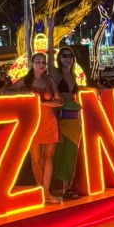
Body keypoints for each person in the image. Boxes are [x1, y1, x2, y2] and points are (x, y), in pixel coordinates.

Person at [10, 52, 62, 204]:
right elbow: (6, 90)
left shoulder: (49, 80)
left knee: (49, 158)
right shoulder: (26, 81)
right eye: (38, 61)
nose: (41, 64)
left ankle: (47, 191)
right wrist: (26, 95)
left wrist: (43, 103)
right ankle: (41, 191)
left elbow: (60, 102)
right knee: (36, 159)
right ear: (32, 64)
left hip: (49, 121)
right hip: (33, 122)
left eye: (44, 62)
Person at [47, 27, 84, 200]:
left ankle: (68, 187)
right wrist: (50, 30)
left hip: (75, 120)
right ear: (59, 58)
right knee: (61, 154)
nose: (68, 59)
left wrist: (94, 89)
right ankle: (62, 188)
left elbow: (78, 90)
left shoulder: (74, 76)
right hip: (62, 118)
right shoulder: (56, 73)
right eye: (64, 55)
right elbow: (48, 59)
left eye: (70, 56)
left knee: (71, 155)